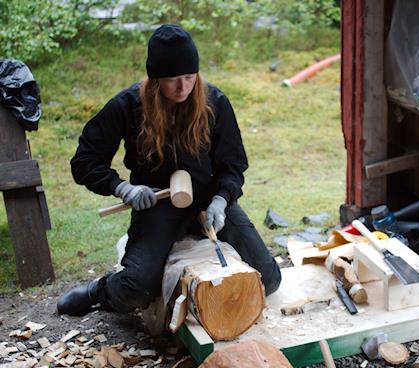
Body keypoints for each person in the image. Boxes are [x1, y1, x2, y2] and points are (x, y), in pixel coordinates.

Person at [57, 24, 281, 316]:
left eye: (189, 78)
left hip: (207, 200)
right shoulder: (128, 106)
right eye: (173, 80)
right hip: (157, 205)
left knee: (270, 278)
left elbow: (234, 164)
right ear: (155, 79)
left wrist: (222, 199)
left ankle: (198, 234)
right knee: (134, 291)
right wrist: (123, 188)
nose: (183, 88)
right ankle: (98, 291)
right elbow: (85, 161)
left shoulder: (215, 102)